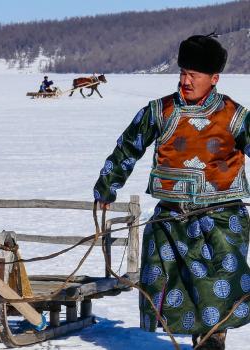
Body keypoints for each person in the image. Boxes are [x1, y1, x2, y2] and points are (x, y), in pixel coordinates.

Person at [93, 34, 250, 350]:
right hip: (171, 221)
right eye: (183, 73)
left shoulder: (235, 116)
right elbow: (127, 148)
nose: (186, 81)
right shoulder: (159, 111)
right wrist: (106, 188)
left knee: (217, 287)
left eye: (194, 75)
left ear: (214, 78)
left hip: (221, 221)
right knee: (176, 286)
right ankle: (202, 338)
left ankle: (212, 339)